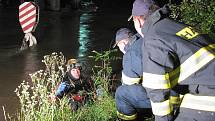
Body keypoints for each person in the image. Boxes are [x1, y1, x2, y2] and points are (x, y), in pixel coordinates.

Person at [129, 0, 215, 121]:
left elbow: (156, 90)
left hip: (208, 97)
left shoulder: (153, 38)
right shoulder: (179, 26)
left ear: (137, 21)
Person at [113, 28, 152, 121]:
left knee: (121, 94)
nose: (120, 49)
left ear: (122, 43)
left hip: (163, 95)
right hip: (179, 86)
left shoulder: (131, 53)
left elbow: (128, 85)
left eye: (118, 46)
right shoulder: (144, 39)